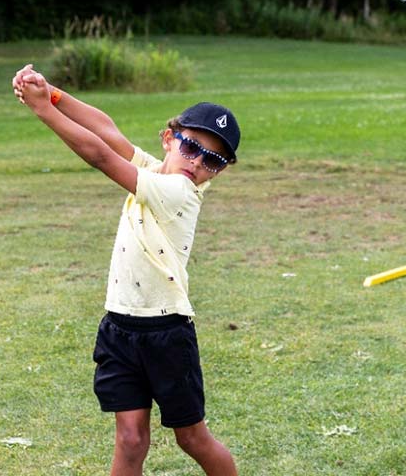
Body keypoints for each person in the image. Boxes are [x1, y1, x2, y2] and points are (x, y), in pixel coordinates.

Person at [12, 64, 240, 475]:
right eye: (191, 148)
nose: (198, 163)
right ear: (169, 138)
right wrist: (55, 94)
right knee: (130, 439)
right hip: (119, 326)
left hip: (167, 332)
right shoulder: (155, 170)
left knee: (192, 438)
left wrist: (44, 110)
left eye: (214, 160)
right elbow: (108, 131)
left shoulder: (180, 191)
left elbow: (101, 154)